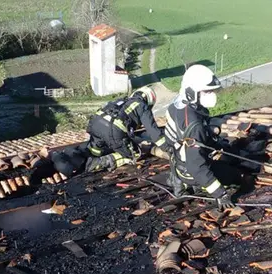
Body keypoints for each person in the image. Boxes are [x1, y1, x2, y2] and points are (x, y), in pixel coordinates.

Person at [163, 64, 239, 211]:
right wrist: (220, 194)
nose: (211, 94)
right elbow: (196, 166)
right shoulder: (195, 125)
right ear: (192, 92)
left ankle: (179, 179)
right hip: (190, 171)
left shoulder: (177, 106)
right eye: (206, 91)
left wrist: (213, 142)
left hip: (177, 162)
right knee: (233, 175)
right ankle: (194, 185)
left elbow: (182, 136)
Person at [51, 86, 167, 176]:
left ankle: (89, 156)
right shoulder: (142, 105)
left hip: (95, 124)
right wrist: (168, 147)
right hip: (112, 131)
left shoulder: (122, 101)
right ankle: (99, 163)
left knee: (95, 151)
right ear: (149, 101)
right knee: (134, 155)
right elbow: (154, 133)